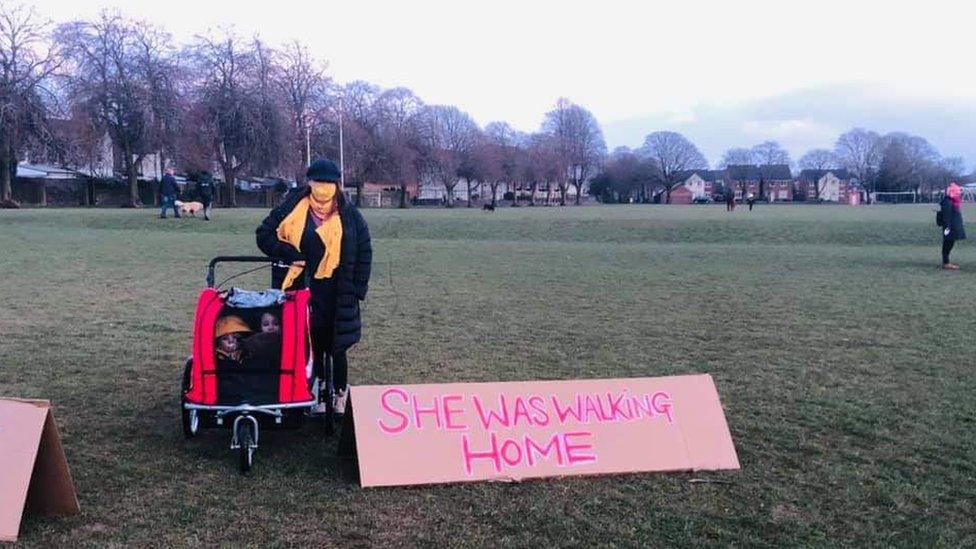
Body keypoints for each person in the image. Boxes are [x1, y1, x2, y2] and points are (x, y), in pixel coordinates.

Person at [255, 158, 372, 416]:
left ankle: (339, 392)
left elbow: (365, 251)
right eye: (318, 182)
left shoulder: (350, 214)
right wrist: (287, 253)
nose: (323, 188)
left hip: (338, 290)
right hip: (300, 286)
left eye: (329, 183)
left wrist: (357, 289)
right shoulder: (291, 206)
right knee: (309, 343)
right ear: (309, 183)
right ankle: (314, 391)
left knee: (337, 346)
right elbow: (263, 234)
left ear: (337, 185)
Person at [940, 182, 966, 270]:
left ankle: (946, 262)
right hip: (949, 227)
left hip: (952, 227)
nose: (959, 194)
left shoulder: (952, 201)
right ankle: (946, 263)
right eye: (957, 192)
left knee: (950, 243)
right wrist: (947, 228)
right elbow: (946, 217)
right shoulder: (948, 201)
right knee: (948, 244)